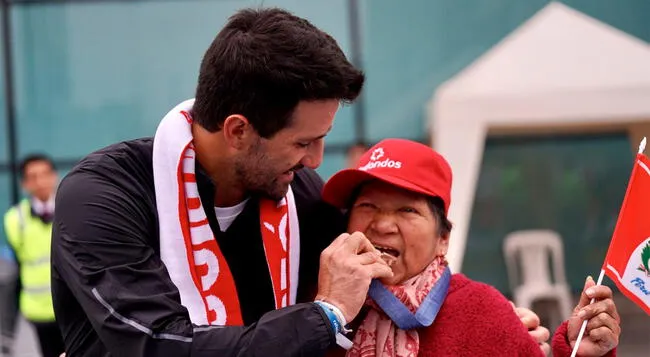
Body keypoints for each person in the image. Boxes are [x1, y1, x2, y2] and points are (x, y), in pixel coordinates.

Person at [52, 7, 553, 357]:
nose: (315, 160)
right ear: (238, 131)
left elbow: (390, 274)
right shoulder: (103, 198)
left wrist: (492, 318)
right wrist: (325, 316)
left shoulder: (297, 191)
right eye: (302, 143)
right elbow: (158, 345)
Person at [321, 138, 621, 357]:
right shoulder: (319, 304)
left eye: (407, 211)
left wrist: (582, 355)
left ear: (443, 239)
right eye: (367, 206)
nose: (383, 225)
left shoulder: (485, 313)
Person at [3, 154, 65, 357]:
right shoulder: (15, 219)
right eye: (33, 177)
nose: (40, 182)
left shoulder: (70, 209)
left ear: (54, 176)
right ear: (24, 184)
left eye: (44, 174)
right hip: (38, 308)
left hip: (71, 303)